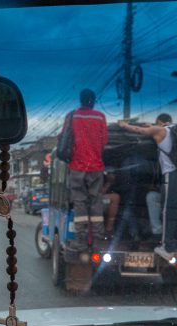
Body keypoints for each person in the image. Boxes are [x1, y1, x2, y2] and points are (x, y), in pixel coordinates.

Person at [118, 114, 177, 261]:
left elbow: (140, 131)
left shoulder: (160, 131)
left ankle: (167, 247)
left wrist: (124, 126)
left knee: (168, 211)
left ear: (159, 122)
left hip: (172, 174)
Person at [66, 89, 108, 252]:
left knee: (80, 202)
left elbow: (64, 138)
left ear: (80, 100)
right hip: (96, 166)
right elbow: (104, 141)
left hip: (77, 166)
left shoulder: (71, 116)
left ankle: (81, 241)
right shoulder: (100, 117)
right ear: (93, 101)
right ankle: (98, 241)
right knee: (96, 202)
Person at [102, 171, 120, 240]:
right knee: (115, 197)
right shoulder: (97, 176)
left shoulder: (120, 181)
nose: (113, 175)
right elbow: (97, 194)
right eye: (110, 173)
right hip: (94, 202)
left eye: (114, 173)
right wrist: (109, 182)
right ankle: (109, 229)